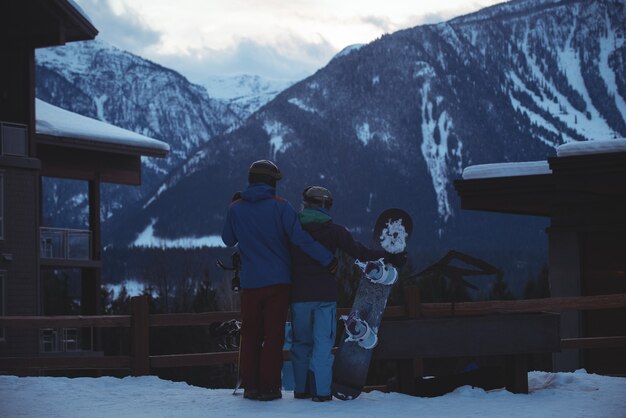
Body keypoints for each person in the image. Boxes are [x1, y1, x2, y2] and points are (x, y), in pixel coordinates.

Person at [221, 161, 337, 402]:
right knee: (274, 336)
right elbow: (300, 239)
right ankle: (270, 388)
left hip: (250, 283)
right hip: (279, 283)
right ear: (272, 182)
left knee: (250, 333)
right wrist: (328, 259)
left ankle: (250, 387)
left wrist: (234, 208)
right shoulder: (282, 207)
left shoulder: (236, 207)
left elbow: (227, 239)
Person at [290, 186, 407, 402]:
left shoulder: (293, 229)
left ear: (305, 204)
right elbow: (360, 252)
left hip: (298, 296)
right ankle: (321, 392)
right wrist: (389, 256)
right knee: (323, 343)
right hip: (325, 295)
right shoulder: (335, 231)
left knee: (301, 343)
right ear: (327, 206)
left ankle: (301, 390)